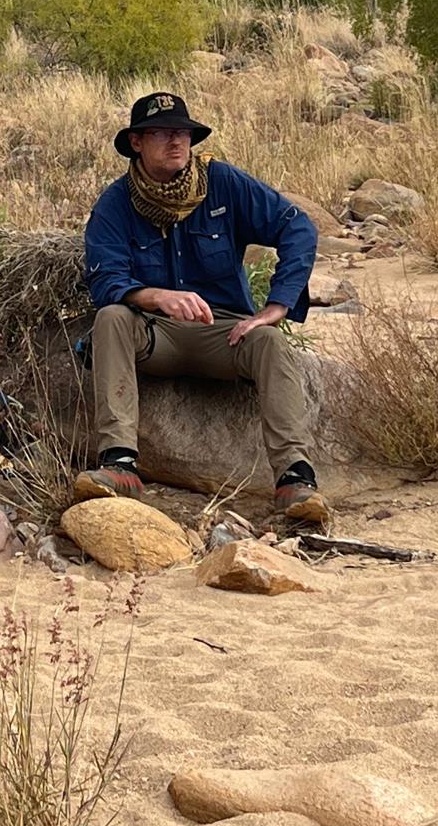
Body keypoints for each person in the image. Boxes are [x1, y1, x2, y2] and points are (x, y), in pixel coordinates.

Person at [76, 91, 327, 523]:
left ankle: (294, 480)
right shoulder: (115, 203)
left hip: (223, 332)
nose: (177, 142)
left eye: (183, 133)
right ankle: (119, 465)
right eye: (162, 133)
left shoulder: (223, 183)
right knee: (112, 317)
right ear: (136, 142)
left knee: (268, 342)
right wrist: (156, 296)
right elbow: (105, 279)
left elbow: (297, 227)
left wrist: (278, 305)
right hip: (156, 333)